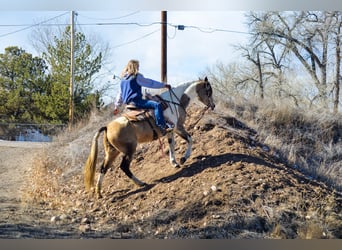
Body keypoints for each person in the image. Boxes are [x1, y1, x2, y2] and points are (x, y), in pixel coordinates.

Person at [114, 59, 172, 135]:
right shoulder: (137, 77)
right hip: (137, 102)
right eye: (138, 66)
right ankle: (162, 126)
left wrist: (116, 106)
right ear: (135, 67)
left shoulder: (123, 80)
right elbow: (150, 83)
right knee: (156, 105)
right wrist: (163, 85)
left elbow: (120, 95)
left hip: (128, 104)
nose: (138, 68)